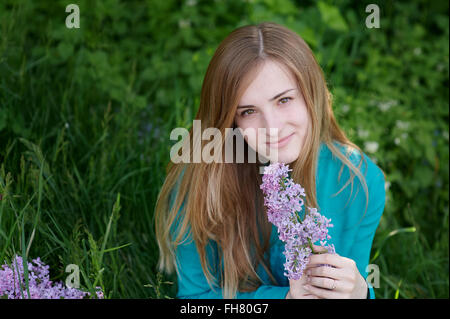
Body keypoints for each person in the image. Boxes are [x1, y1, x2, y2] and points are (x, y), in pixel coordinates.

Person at [154, 22, 386, 299]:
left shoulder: (359, 181)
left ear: (311, 93)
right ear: (230, 120)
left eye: (284, 100)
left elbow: (349, 281)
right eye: (249, 111)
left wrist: (361, 291)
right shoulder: (201, 180)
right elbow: (194, 299)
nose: (272, 127)